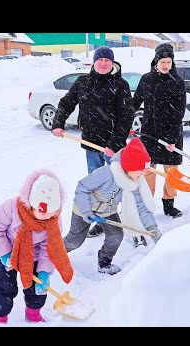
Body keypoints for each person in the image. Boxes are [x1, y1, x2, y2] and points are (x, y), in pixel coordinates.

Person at [52, 46, 134, 239]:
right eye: (100, 60)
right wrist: (58, 122)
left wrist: (114, 142)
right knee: (96, 186)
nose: (104, 63)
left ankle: (127, 217)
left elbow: (126, 115)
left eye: (107, 60)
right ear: (94, 62)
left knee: (120, 184)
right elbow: (66, 103)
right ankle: (100, 219)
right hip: (91, 144)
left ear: (112, 63)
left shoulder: (120, 84)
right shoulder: (83, 82)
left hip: (113, 147)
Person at [63, 137, 162, 275]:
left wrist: (152, 228)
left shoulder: (134, 183)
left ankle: (104, 263)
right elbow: (82, 188)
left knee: (115, 236)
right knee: (75, 241)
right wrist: (86, 211)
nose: (143, 173)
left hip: (107, 211)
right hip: (83, 208)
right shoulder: (105, 173)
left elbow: (142, 208)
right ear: (129, 167)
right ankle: (53, 255)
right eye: (140, 169)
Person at [0, 169, 73, 324]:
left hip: (34, 255)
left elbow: (49, 248)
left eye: (52, 213)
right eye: (43, 212)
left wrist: (44, 271)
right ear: (32, 203)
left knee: (38, 288)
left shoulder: (54, 220)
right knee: (5, 287)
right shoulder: (12, 208)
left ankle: (33, 314)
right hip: (8, 252)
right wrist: (5, 255)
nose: (48, 217)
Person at [132, 43, 187, 218]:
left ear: (172, 62)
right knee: (148, 170)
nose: (165, 65)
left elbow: (179, 112)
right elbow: (135, 101)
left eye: (168, 61)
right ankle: (147, 204)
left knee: (171, 171)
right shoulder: (147, 79)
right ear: (156, 61)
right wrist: (124, 120)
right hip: (149, 132)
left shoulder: (177, 82)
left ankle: (169, 203)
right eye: (162, 61)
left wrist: (171, 139)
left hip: (172, 132)